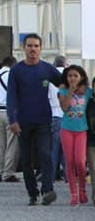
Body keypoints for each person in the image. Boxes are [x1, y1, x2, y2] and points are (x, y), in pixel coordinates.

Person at [7, 33, 62, 206]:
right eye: (30, 45)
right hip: (23, 121)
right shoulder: (16, 70)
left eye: (36, 46)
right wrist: (12, 120)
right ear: (24, 48)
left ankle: (48, 190)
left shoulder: (47, 69)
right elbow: (11, 97)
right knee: (26, 160)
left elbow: (64, 83)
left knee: (45, 154)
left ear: (41, 49)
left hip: (43, 120)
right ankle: (33, 193)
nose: (33, 49)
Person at [57, 64, 91, 205]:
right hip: (67, 129)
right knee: (69, 162)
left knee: (80, 162)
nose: (72, 78)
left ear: (81, 77)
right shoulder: (63, 91)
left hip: (82, 130)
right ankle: (74, 194)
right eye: (70, 76)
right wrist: (70, 91)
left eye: (75, 76)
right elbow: (65, 107)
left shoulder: (87, 91)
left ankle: (82, 189)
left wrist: (83, 87)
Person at [0, 56, 19, 182]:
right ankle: (8, 172)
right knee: (12, 143)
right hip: (10, 111)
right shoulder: (12, 75)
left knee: (0, 143)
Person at [50, 55, 67, 182]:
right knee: (66, 148)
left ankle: (52, 175)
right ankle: (68, 175)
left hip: (53, 114)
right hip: (66, 115)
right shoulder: (69, 76)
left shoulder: (50, 77)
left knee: (53, 148)